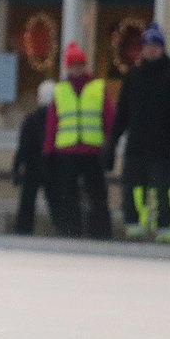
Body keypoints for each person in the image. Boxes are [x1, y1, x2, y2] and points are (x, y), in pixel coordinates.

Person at [109, 23, 170, 242]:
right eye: (147, 45)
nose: (151, 49)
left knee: (163, 190)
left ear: (162, 48)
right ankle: (134, 228)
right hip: (136, 145)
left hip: (162, 147)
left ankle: (165, 229)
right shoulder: (133, 78)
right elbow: (123, 113)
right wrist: (112, 141)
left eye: (155, 45)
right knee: (133, 190)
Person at [46, 42, 115, 239]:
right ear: (68, 67)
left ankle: (100, 233)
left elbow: (109, 118)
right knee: (68, 196)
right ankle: (71, 231)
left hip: (92, 151)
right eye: (73, 64)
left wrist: (110, 144)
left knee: (98, 196)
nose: (77, 68)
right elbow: (53, 123)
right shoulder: (60, 91)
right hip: (66, 152)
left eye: (80, 64)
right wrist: (48, 151)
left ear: (85, 65)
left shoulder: (97, 88)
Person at [11, 80, 59, 235]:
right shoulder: (59, 120)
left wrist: (17, 168)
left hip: (34, 165)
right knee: (56, 202)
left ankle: (23, 230)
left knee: (28, 202)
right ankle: (64, 229)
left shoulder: (31, 119)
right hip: (52, 165)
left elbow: (23, 147)